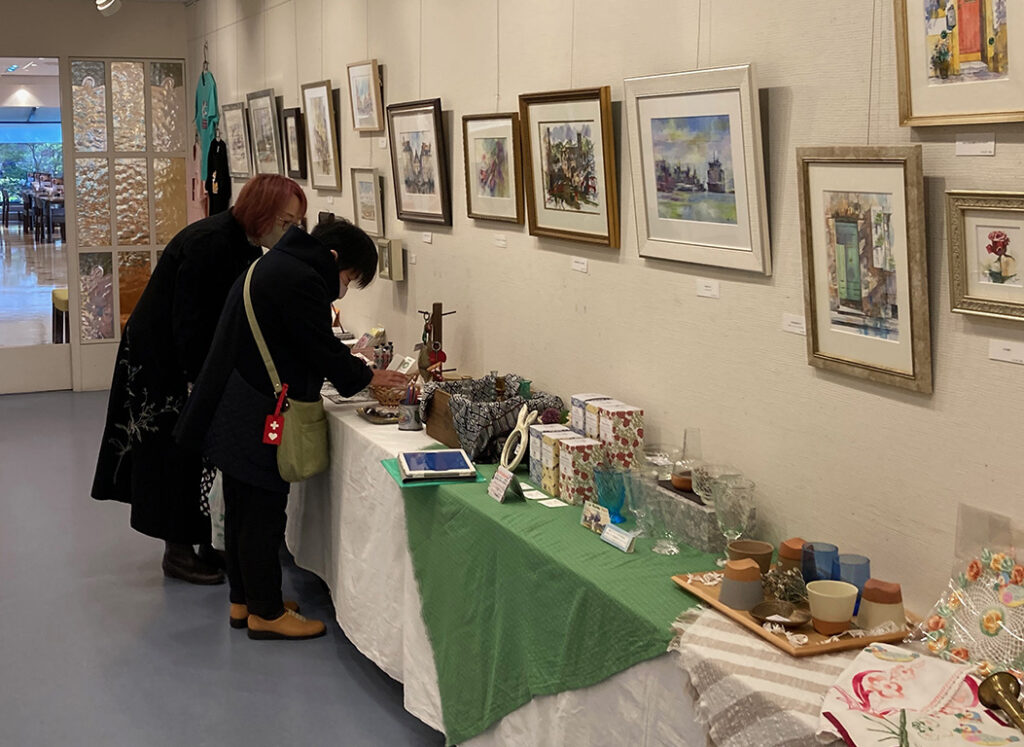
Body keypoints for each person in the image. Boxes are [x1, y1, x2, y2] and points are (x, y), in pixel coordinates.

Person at [174, 219, 408, 639]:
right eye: (348, 278)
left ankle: (245, 600)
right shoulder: (301, 279)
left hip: (234, 401)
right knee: (263, 511)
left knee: (242, 507)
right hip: (260, 409)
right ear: (333, 257)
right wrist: (366, 375)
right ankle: (265, 612)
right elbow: (317, 346)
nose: (344, 289)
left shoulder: (277, 264)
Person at [92, 174, 307, 585]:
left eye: (295, 224)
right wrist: (200, 383)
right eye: (285, 222)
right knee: (175, 453)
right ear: (261, 213)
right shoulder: (211, 243)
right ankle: (178, 551)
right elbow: (190, 324)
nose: (289, 232)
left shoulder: (243, 242)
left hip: (187, 356)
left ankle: (206, 539)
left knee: (203, 455)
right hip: (165, 362)